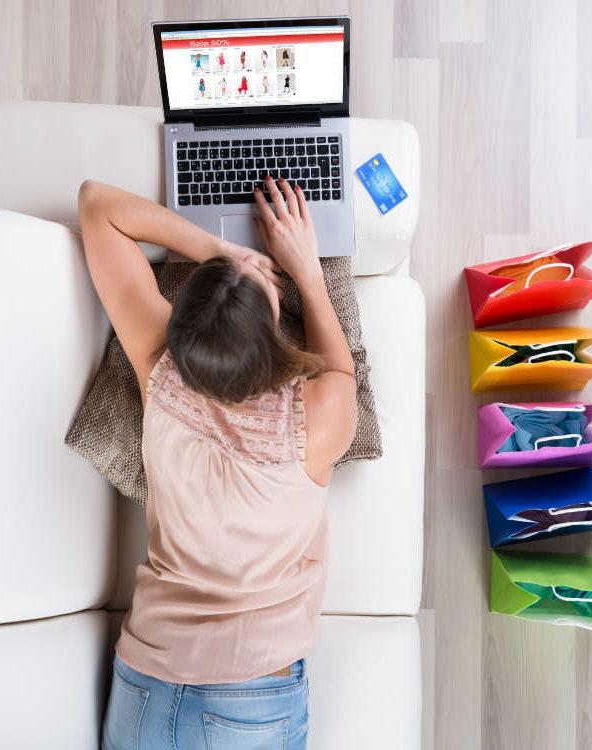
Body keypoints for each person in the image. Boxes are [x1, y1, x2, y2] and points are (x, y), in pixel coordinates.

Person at [78, 177, 356, 749]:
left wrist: (220, 252)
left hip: (145, 682)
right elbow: (340, 369)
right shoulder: (317, 416)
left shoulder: (158, 364)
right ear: (271, 339)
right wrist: (305, 271)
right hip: (249, 698)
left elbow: (96, 206)